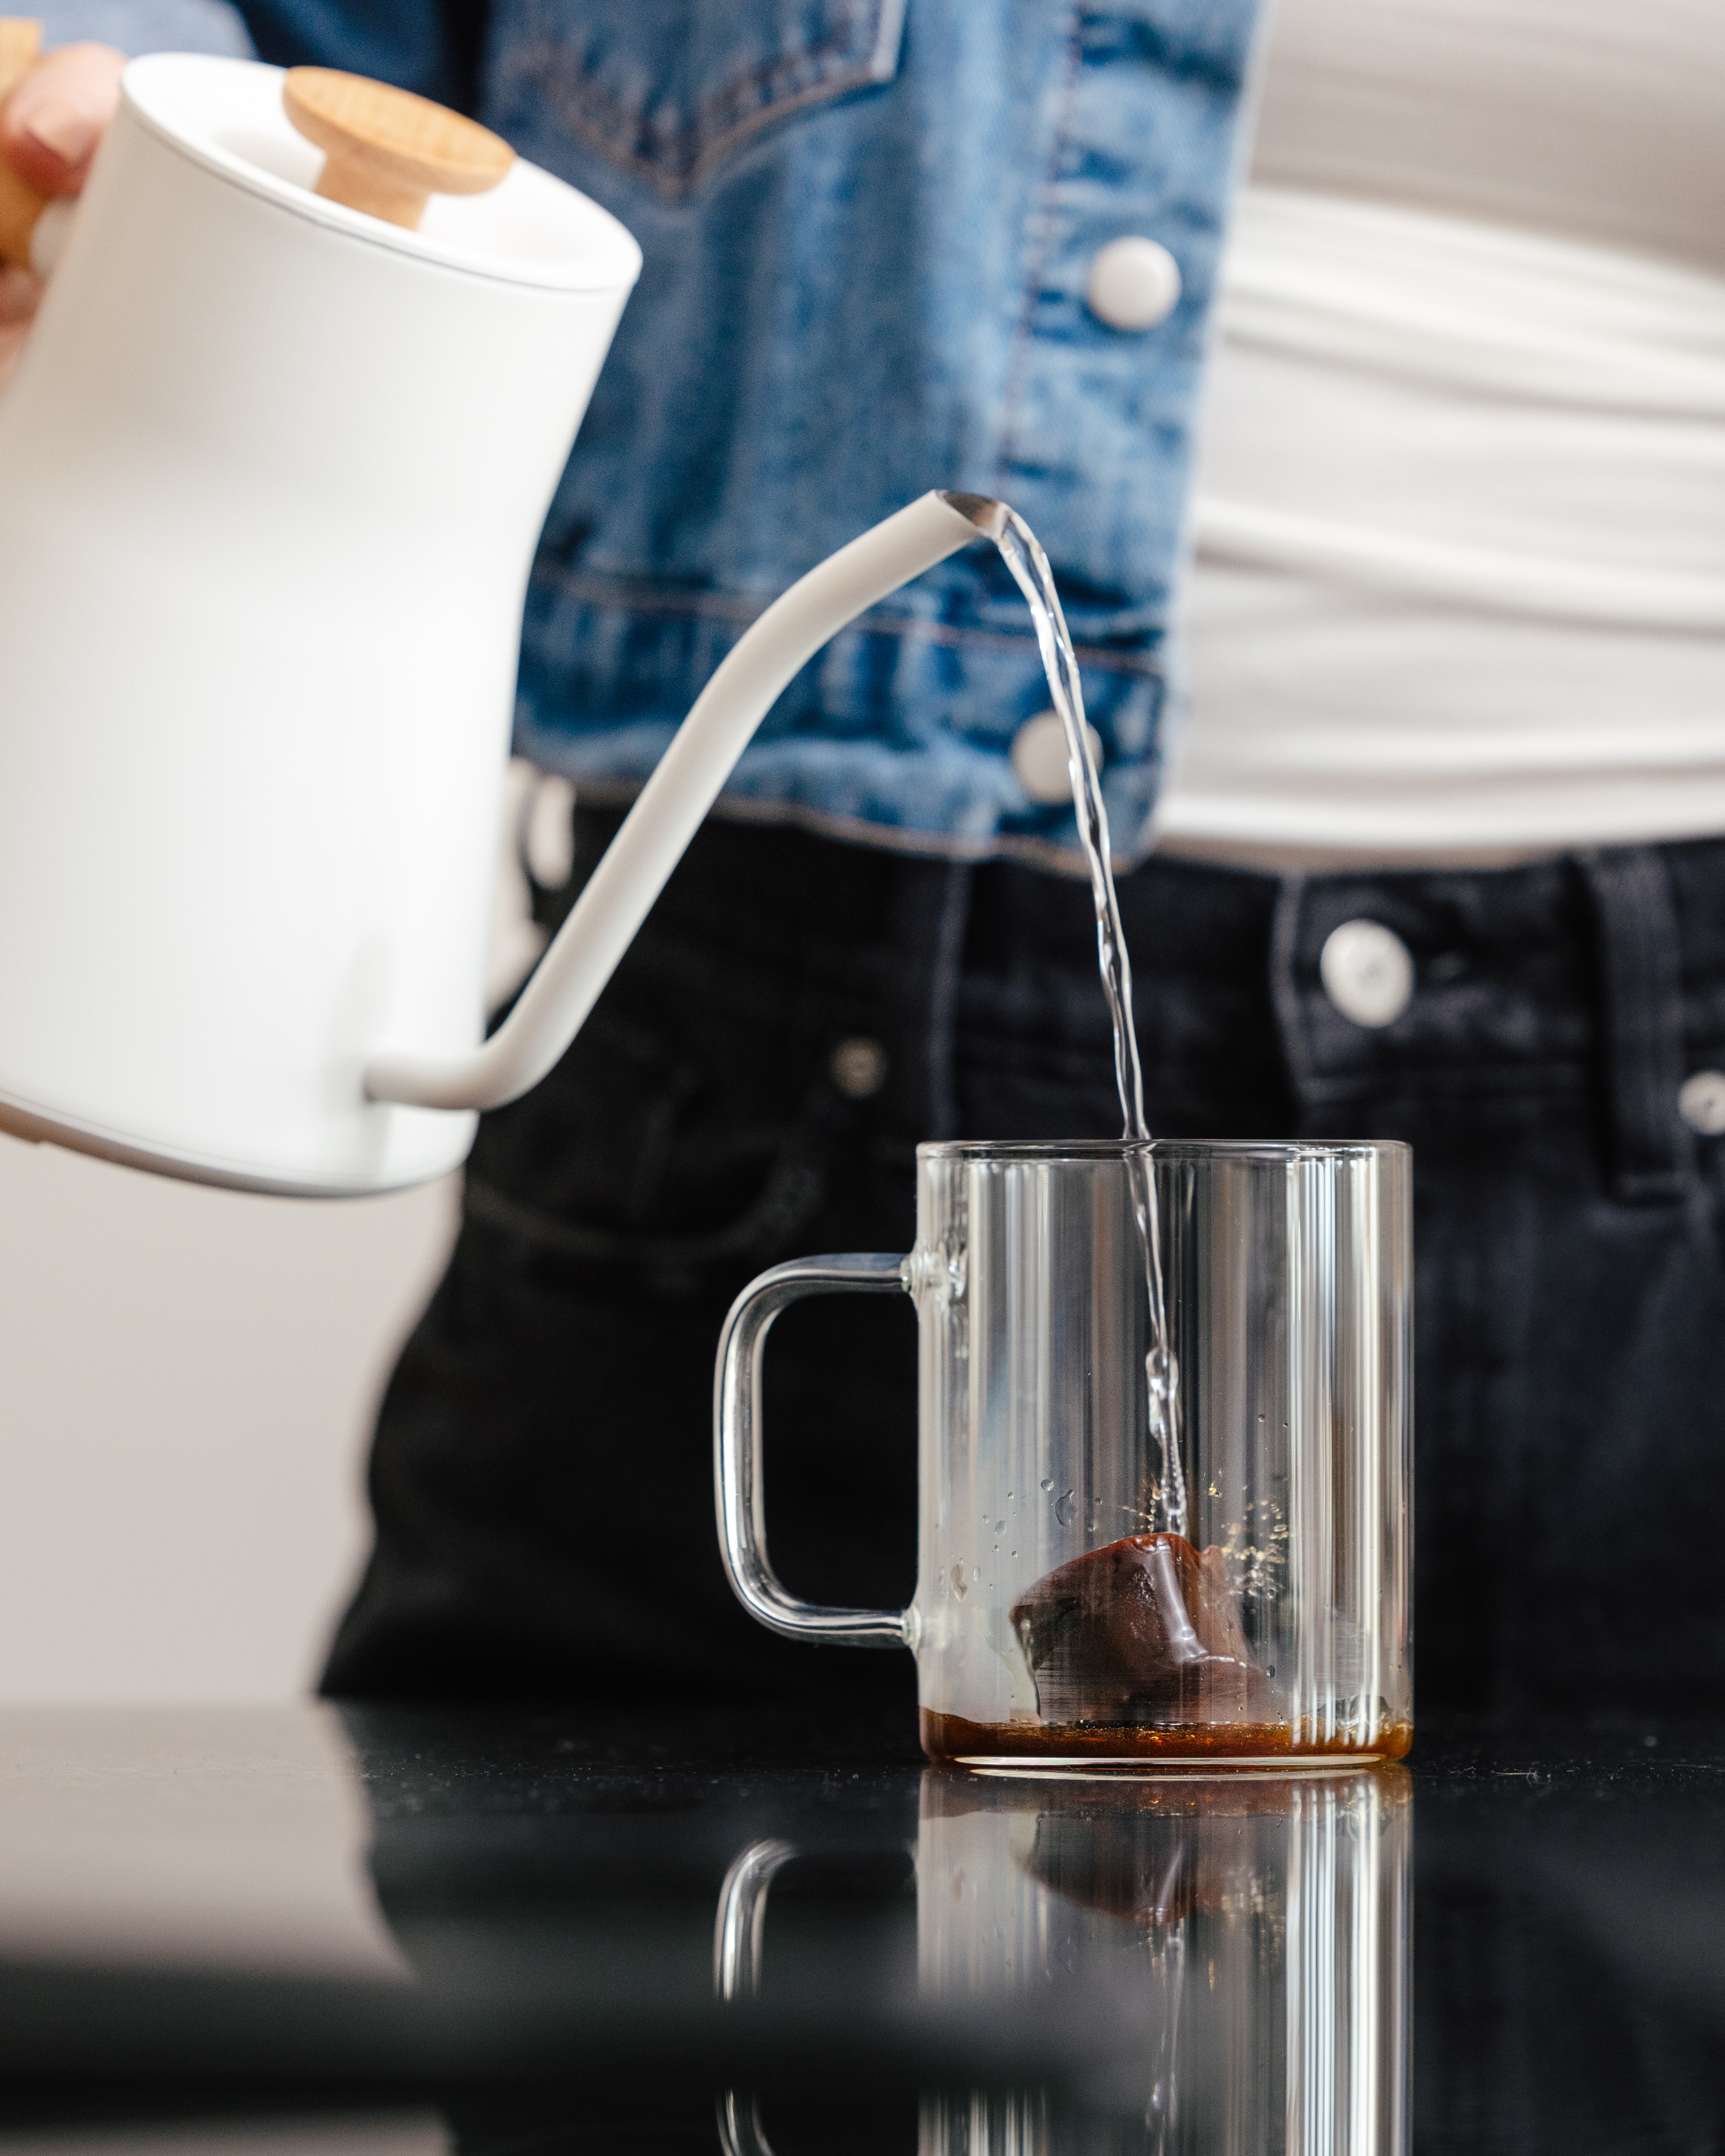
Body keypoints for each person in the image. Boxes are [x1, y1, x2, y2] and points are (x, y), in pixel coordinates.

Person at [6, 0, 1722, 1718]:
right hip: (768, 1058)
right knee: (626, 1974)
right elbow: (281, 51)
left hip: (1683, 1160)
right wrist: (98, 116)